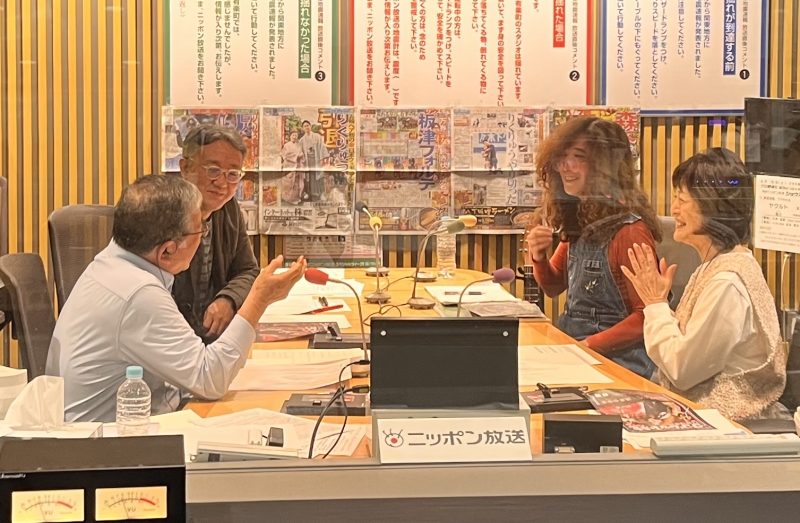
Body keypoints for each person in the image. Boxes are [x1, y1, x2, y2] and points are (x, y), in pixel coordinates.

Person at [46, 175, 306, 422]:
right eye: (200, 228)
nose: (204, 234)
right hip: (115, 444)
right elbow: (210, 379)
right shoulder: (138, 294)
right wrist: (259, 299)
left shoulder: (112, 264)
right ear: (168, 250)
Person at [621, 148, 786, 420]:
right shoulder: (719, 264)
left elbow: (682, 369)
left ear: (712, 208)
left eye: (682, 199)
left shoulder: (727, 282)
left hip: (730, 429)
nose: (673, 209)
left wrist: (655, 305)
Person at [525, 116, 662, 378]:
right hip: (579, 353)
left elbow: (648, 315)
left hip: (619, 365)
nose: (566, 166)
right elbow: (553, 286)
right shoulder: (582, 219)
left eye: (579, 157)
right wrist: (538, 257)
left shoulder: (629, 231)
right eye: (562, 157)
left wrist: (587, 346)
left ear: (605, 167)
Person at [174, 124, 261, 344]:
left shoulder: (227, 208)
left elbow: (248, 270)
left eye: (233, 174)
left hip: (213, 340)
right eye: (213, 170)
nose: (222, 183)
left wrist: (228, 299)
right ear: (185, 168)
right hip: (170, 342)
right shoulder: (163, 213)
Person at [299, 120, 327, 199]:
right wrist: (302, 160)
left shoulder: (317, 136)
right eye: (305, 126)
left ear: (310, 126)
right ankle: (309, 193)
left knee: (318, 175)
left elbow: (322, 147)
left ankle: (321, 193)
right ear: (303, 128)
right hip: (307, 161)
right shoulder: (302, 140)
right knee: (309, 177)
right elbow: (300, 151)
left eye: (308, 125)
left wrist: (322, 159)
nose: (306, 127)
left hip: (316, 158)